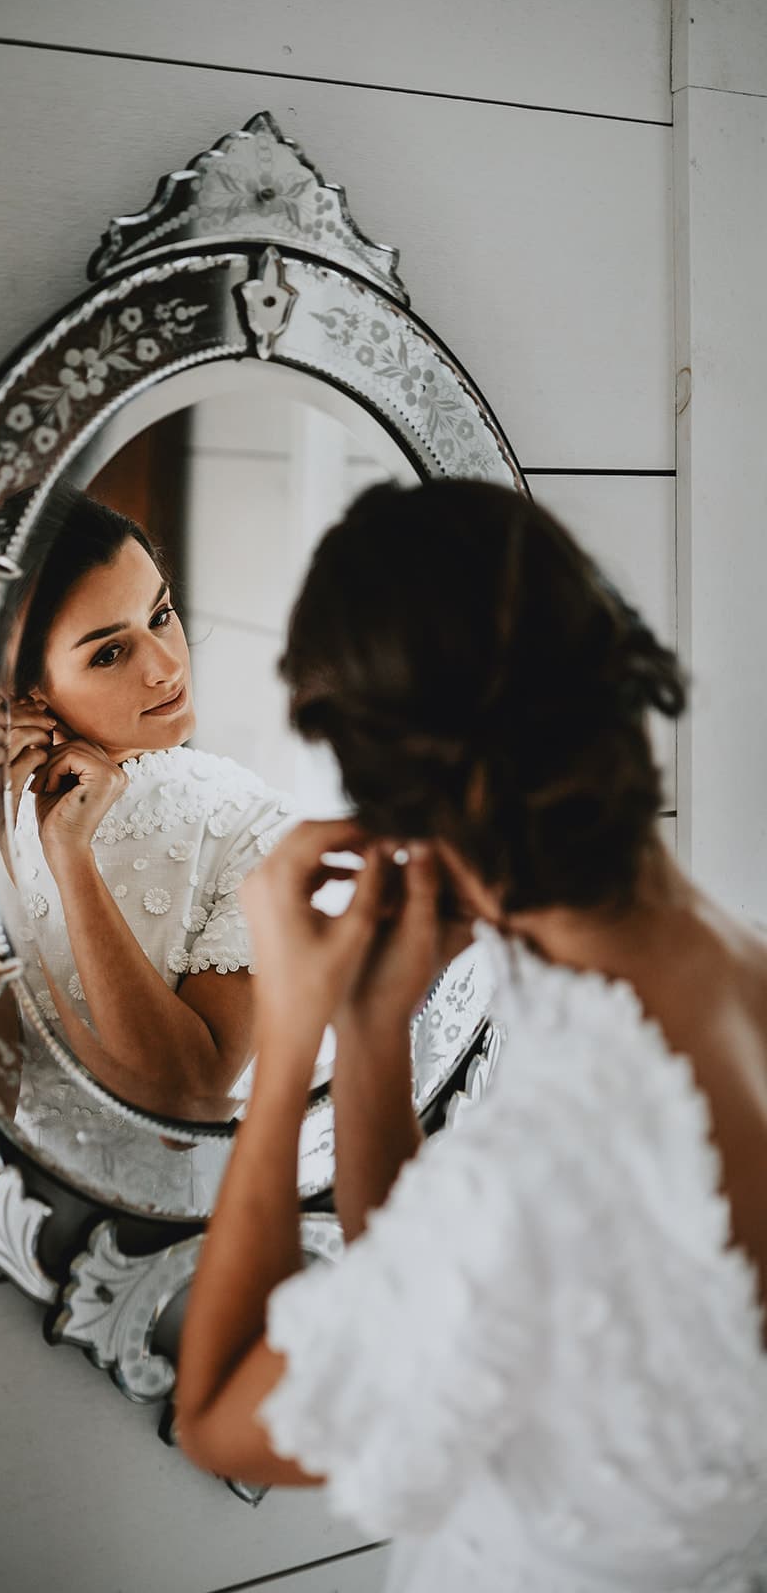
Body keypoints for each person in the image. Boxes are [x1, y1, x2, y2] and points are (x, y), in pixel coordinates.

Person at [175, 480, 767, 1590]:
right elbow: (434, 1280)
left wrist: (291, 1026)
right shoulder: (732, 984)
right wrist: (370, 1028)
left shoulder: (551, 1162)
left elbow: (215, 1419)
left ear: (388, 802)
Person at [0, 489, 295, 1140]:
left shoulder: (251, 826)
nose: (167, 666)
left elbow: (188, 1101)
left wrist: (71, 859)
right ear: (27, 692)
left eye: (162, 614)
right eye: (110, 653)